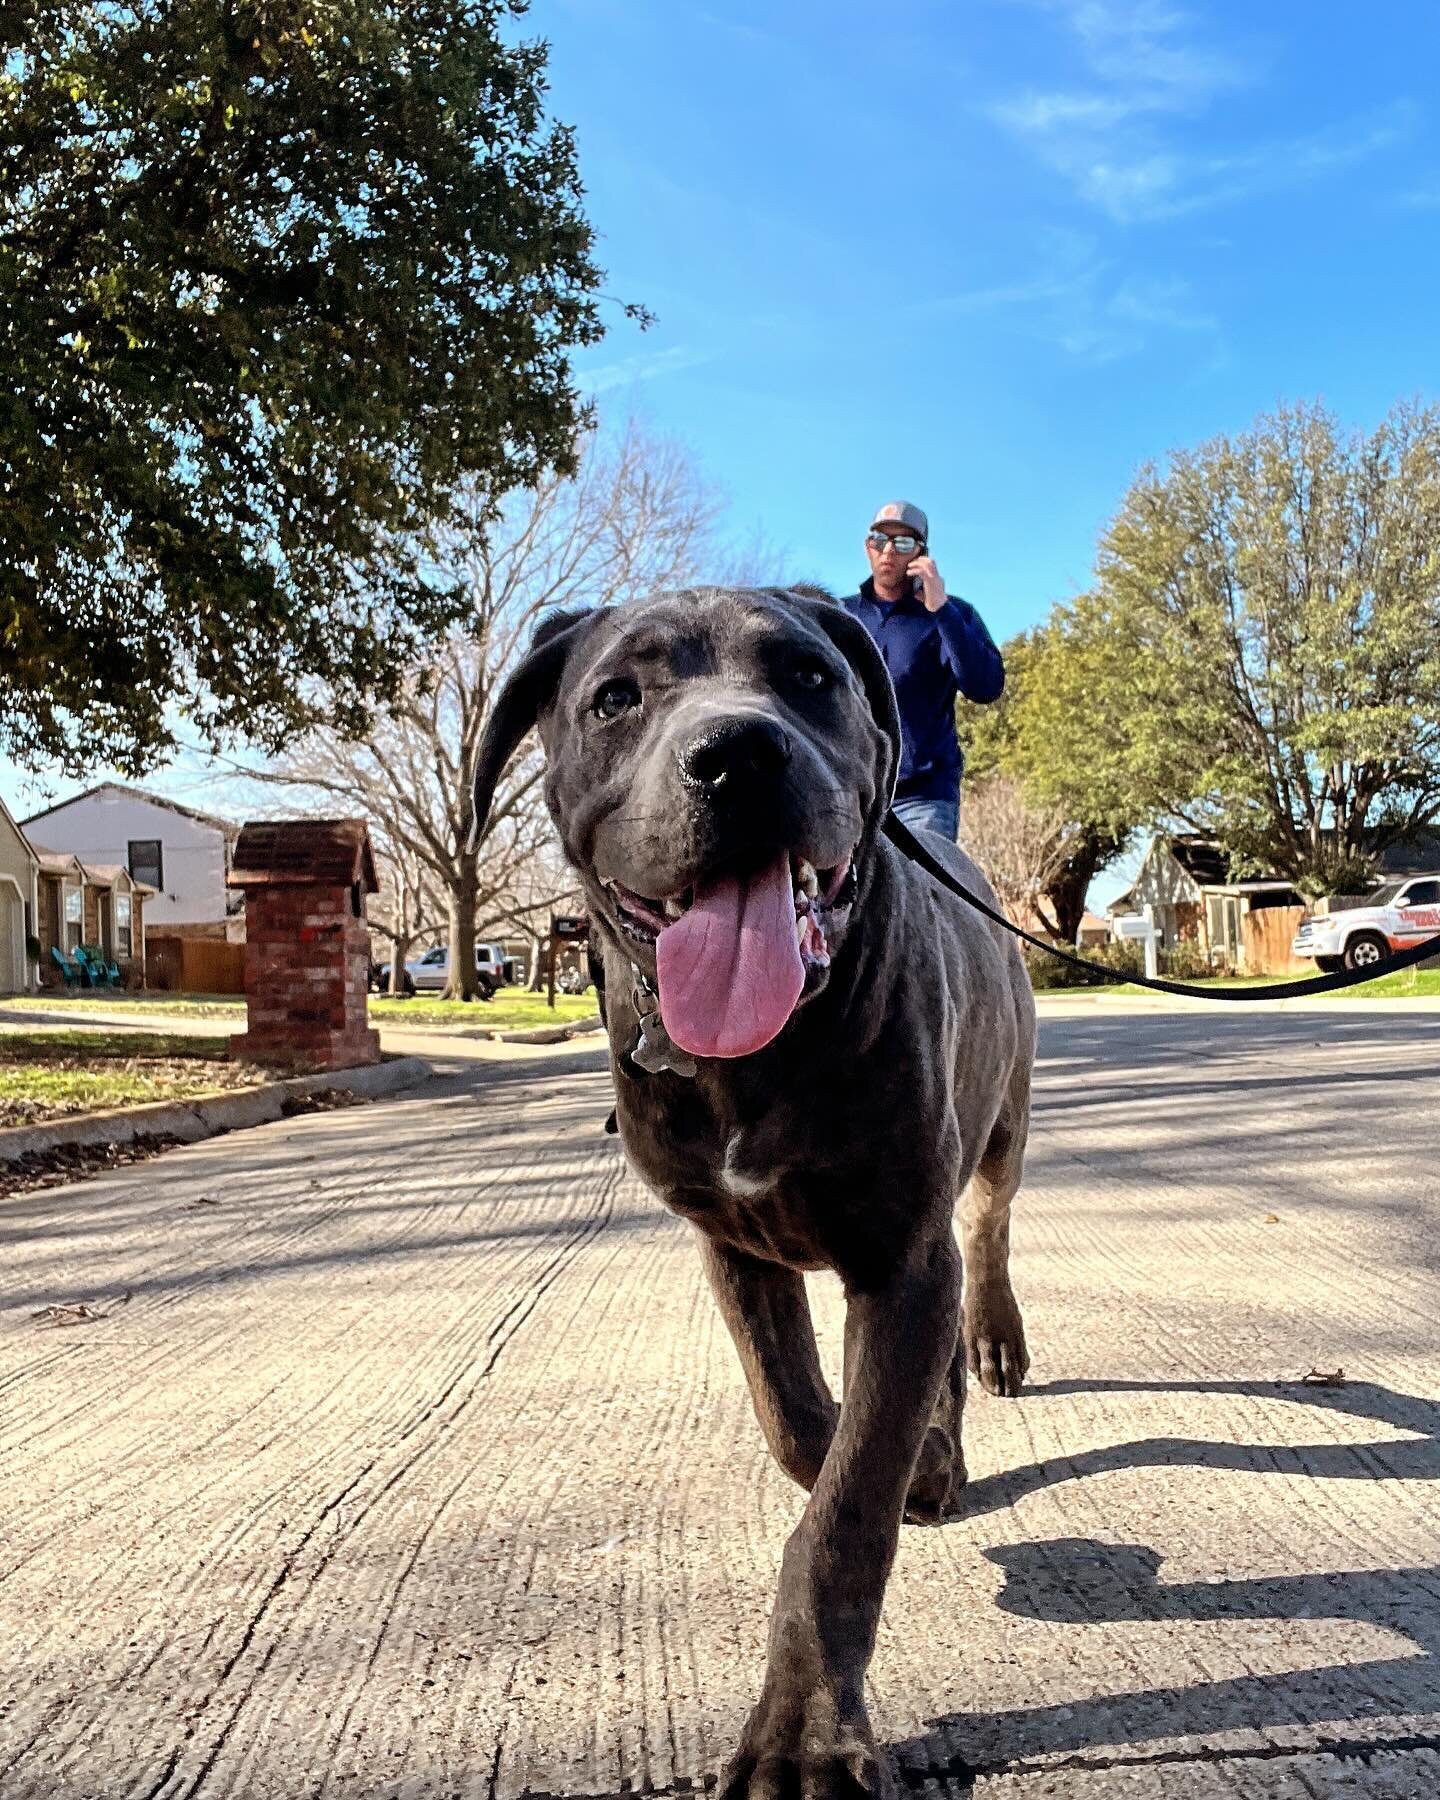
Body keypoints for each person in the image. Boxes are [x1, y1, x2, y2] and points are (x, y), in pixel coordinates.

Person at [840, 500, 1004, 841]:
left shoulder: (952, 615)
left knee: (922, 893)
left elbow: (985, 686)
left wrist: (940, 609)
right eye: (879, 539)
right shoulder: (839, 615)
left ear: (920, 555)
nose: (888, 551)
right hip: (850, 793)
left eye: (902, 543)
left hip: (924, 799)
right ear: (867, 546)